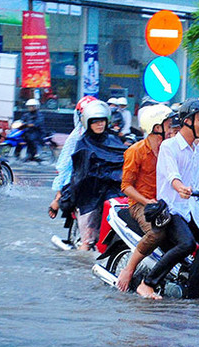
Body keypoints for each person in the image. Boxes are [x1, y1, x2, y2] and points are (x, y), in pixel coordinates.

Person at [137, 98, 199, 300]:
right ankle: (147, 283)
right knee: (186, 244)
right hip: (171, 211)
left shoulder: (196, 150)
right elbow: (172, 177)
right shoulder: (169, 146)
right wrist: (180, 188)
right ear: (187, 121)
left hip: (191, 211)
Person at [115, 103, 174, 291]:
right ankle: (129, 269)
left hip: (165, 202)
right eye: (168, 124)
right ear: (157, 128)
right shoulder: (136, 151)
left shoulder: (168, 149)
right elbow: (126, 186)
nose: (172, 127)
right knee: (157, 233)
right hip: (141, 205)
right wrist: (147, 201)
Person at [58, 100, 126, 250]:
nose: (99, 125)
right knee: (88, 239)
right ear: (88, 123)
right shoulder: (82, 143)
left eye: (102, 121)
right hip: (90, 193)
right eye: (95, 122)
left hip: (112, 189)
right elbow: (80, 173)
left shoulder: (113, 139)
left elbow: (123, 160)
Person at [49, 96, 96, 220]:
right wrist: (57, 197)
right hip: (79, 184)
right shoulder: (76, 138)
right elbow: (65, 166)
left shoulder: (107, 137)